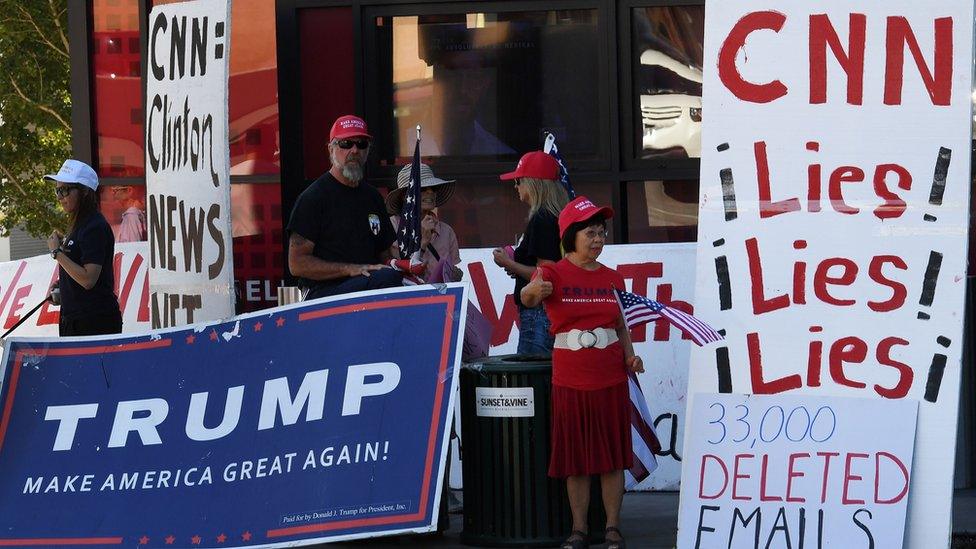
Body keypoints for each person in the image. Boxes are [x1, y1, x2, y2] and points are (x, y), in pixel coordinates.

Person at [521, 196, 644, 549]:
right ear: (571, 235)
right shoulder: (552, 272)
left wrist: (631, 358)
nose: (598, 239)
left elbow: (621, 327)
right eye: (590, 233)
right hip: (570, 377)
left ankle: (612, 528)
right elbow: (528, 299)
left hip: (610, 375)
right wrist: (533, 290)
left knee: (612, 457)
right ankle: (578, 530)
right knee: (575, 459)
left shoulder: (613, 278)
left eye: (602, 233)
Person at [287, 115, 403, 299]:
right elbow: (297, 264)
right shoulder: (313, 197)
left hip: (368, 285)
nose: (355, 150)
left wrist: (409, 264)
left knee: (402, 279)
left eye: (362, 144)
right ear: (331, 148)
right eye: (346, 144)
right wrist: (350, 269)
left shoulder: (373, 197)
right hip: (324, 292)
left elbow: (385, 256)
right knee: (387, 278)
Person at [493, 151, 569, 355]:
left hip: (538, 312)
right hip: (551, 310)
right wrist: (517, 267)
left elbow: (544, 276)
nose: (515, 187)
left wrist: (507, 262)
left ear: (533, 183)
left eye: (518, 181)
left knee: (532, 379)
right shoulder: (557, 216)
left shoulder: (542, 218)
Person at [45, 159, 123, 337]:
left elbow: (89, 279)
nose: (59, 197)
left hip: (94, 321)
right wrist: (62, 287)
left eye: (64, 190)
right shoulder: (79, 226)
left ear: (85, 192)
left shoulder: (94, 226)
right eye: (57, 190)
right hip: (75, 320)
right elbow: (79, 273)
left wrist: (56, 253)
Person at [386, 163, 462, 282]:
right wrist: (422, 243)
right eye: (422, 189)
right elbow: (393, 271)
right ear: (405, 196)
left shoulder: (446, 231)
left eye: (434, 188)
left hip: (442, 297)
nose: (430, 192)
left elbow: (451, 271)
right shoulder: (392, 226)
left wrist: (454, 274)